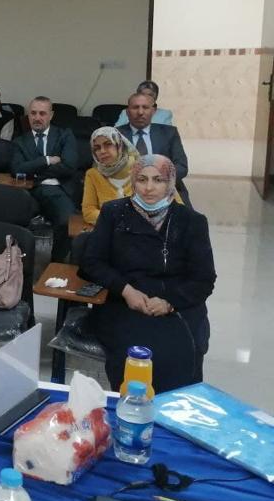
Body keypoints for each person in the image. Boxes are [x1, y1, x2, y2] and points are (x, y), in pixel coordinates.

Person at [80, 155, 215, 393]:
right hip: (125, 303)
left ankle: (173, 411)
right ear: (133, 181)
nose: (149, 188)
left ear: (170, 183)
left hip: (177, 304)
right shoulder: (113, 213)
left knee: (178, 354)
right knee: (134, 356)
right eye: (142, 179)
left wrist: (169, 302)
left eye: (158, 180)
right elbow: (91, 263)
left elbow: (204, 279)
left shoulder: (191, 222)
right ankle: (131, 408)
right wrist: (126, 290)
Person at [11, 96, 78, 261]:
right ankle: (15, 263)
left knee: (66, 220)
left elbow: (69, 166)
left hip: (58, 189)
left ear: (51, 115)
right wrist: (46, 160)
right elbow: (17, 169)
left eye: (42, 113)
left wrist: (34, 171)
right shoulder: (20, 141)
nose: (37, 118)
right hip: (28, 190)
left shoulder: (64, 135)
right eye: (33, 113)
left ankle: (56, 264)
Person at [116, 91, 191, 207]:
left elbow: (182, 167)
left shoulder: (169, 133)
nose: (140, 112)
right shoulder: (116, 135)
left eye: (145, 107)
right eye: (135, 107)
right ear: (127, 112)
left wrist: (158, 179)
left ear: (153, 111)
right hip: (127, 190)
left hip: (166, 189)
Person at [83, 127, 139, 226]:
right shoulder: (92, 175)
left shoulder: (141, 170)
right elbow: (89, 212)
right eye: (97, 148)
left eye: (108, 144)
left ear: (119, 145)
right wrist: (118, 219)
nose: (102, 151)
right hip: (109, 230)